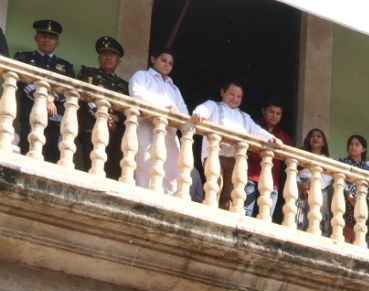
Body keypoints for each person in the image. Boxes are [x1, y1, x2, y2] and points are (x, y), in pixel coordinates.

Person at [190, 80, 281, 210]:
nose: (235, 99)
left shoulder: (244, 116)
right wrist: (199, 114)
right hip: (215, 155)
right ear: (223, 92)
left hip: (235, 159)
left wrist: (271, 138)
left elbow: (257, 130)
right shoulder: (213, 105)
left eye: (239, 97)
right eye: (232, 95)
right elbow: (201, 110)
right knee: (214, 188)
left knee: (229, 195)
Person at [14, 20, 74, 163]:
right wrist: (45, 98)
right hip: (30, 114)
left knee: (52, 159)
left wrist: (53, 97)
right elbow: (22, 83)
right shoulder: (24, 58)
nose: (47, 40)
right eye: (43, 36)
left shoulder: (65, 67)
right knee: (28, 154)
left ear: (57, 42)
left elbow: (69, 91)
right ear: (36, 38)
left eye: (51, 37)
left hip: (55, 118)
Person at [127, 50, 188, 193]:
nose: (167, 65)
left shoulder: (174, 88)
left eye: (170, 63)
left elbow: (184, 111)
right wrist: (164, 107)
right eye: (163, 60)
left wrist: (176, 114)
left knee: (172, 170)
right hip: (146, 129)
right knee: (145, 165)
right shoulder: (141, 76)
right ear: (153, 59)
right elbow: (137, 95)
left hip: (170, 133)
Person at [76, 36, 129, 178]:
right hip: (92, 129)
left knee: (113, 175)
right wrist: (103, 117)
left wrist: (116, 117)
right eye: (104, 54)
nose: (108, 58)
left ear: (119, 60)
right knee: (93, 171)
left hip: (116, 133)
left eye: (112, 55)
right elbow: (86, 97)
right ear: (99, 57)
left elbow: (128, 109)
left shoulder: (124, 85)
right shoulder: (88, 74)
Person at [245, 98, 292, 216]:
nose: (274, 116)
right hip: (250, 176)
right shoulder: (253, 127)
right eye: (271, 112)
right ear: (263, 111)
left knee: (266, 216)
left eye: (278, 113)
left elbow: (289, 160)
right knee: (245, 213)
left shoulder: (284, 137)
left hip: (272, 182)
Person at [337, 135, 369, 243]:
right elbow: (341, 180)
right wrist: (349, 196)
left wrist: (365, 202)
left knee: (358, 237)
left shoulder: (368, 169)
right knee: (346, 234)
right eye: (351, 144)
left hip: (362, 204)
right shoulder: (343, 162)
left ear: (363, 149)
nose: (353, 147)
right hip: (347, 203)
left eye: (357, 145)